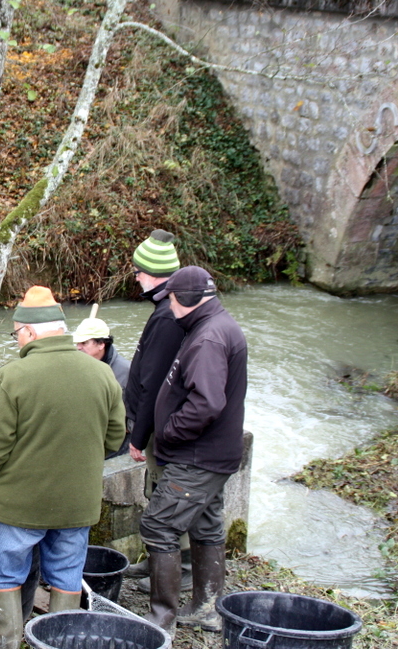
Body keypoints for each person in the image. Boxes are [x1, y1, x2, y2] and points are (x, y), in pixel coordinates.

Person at [0, 286, 125, 649]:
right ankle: (58, 642)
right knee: (67, 574)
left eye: (16, 334)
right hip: (77, 503)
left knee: (5, 572)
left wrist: (0, 478)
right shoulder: (102, 374)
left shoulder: (12, 376)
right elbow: (114, 436)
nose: (16, 342)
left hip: (20, 505)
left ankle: (10, 643)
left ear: (28, 331)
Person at [138, 266, 247, 633]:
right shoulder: (213, 324)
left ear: (185, 299)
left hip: (198, 456)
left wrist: (168, 433)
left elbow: (207, 403)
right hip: (214, 454)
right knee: (205, 524)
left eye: (171, 297)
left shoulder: (207, 339)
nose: (168, 304)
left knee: (158, 525)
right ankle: (207, 606)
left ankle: (160, 619)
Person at [123, 230, 193, 591]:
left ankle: (170, 573)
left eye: (137, 271)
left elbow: (155, 382)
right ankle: (157, 564)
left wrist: (139, 435)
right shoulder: (167, 310)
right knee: (162, 494)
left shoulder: (167, 317)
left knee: (165, 497)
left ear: (153, 274)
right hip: (162, 425)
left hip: (161, 429)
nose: (135, 277)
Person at [72, 317, 131, 390]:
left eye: (84, 343)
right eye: (77, 343)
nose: (78, 347)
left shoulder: (126, 371)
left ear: (101, 344)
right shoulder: (75, 367)